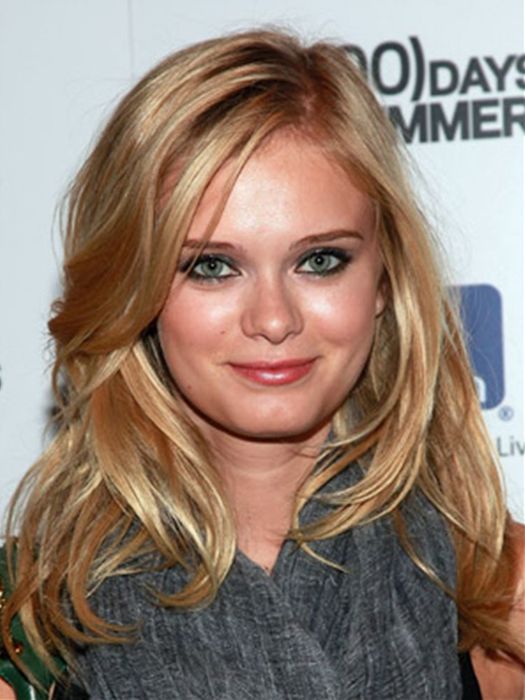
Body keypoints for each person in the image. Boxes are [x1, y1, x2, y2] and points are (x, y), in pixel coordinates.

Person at [0, 28, 523, 699]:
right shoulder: (32, 625)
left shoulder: (497, 596)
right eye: (212, 267)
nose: (273, 320)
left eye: (320, 260)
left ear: (384, 278)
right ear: (137, 290)